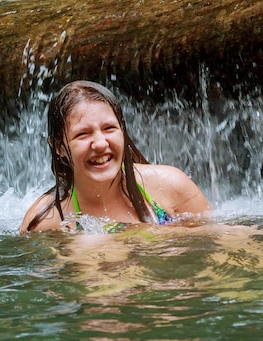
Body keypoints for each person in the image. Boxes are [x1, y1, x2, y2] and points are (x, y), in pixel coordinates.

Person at [20, 80, 210, 234]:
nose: (101, 144)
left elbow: (216, 243)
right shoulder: (45, 220)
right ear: (59, 147)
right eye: (83, 134)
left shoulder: (171, 186)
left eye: (109, 128)